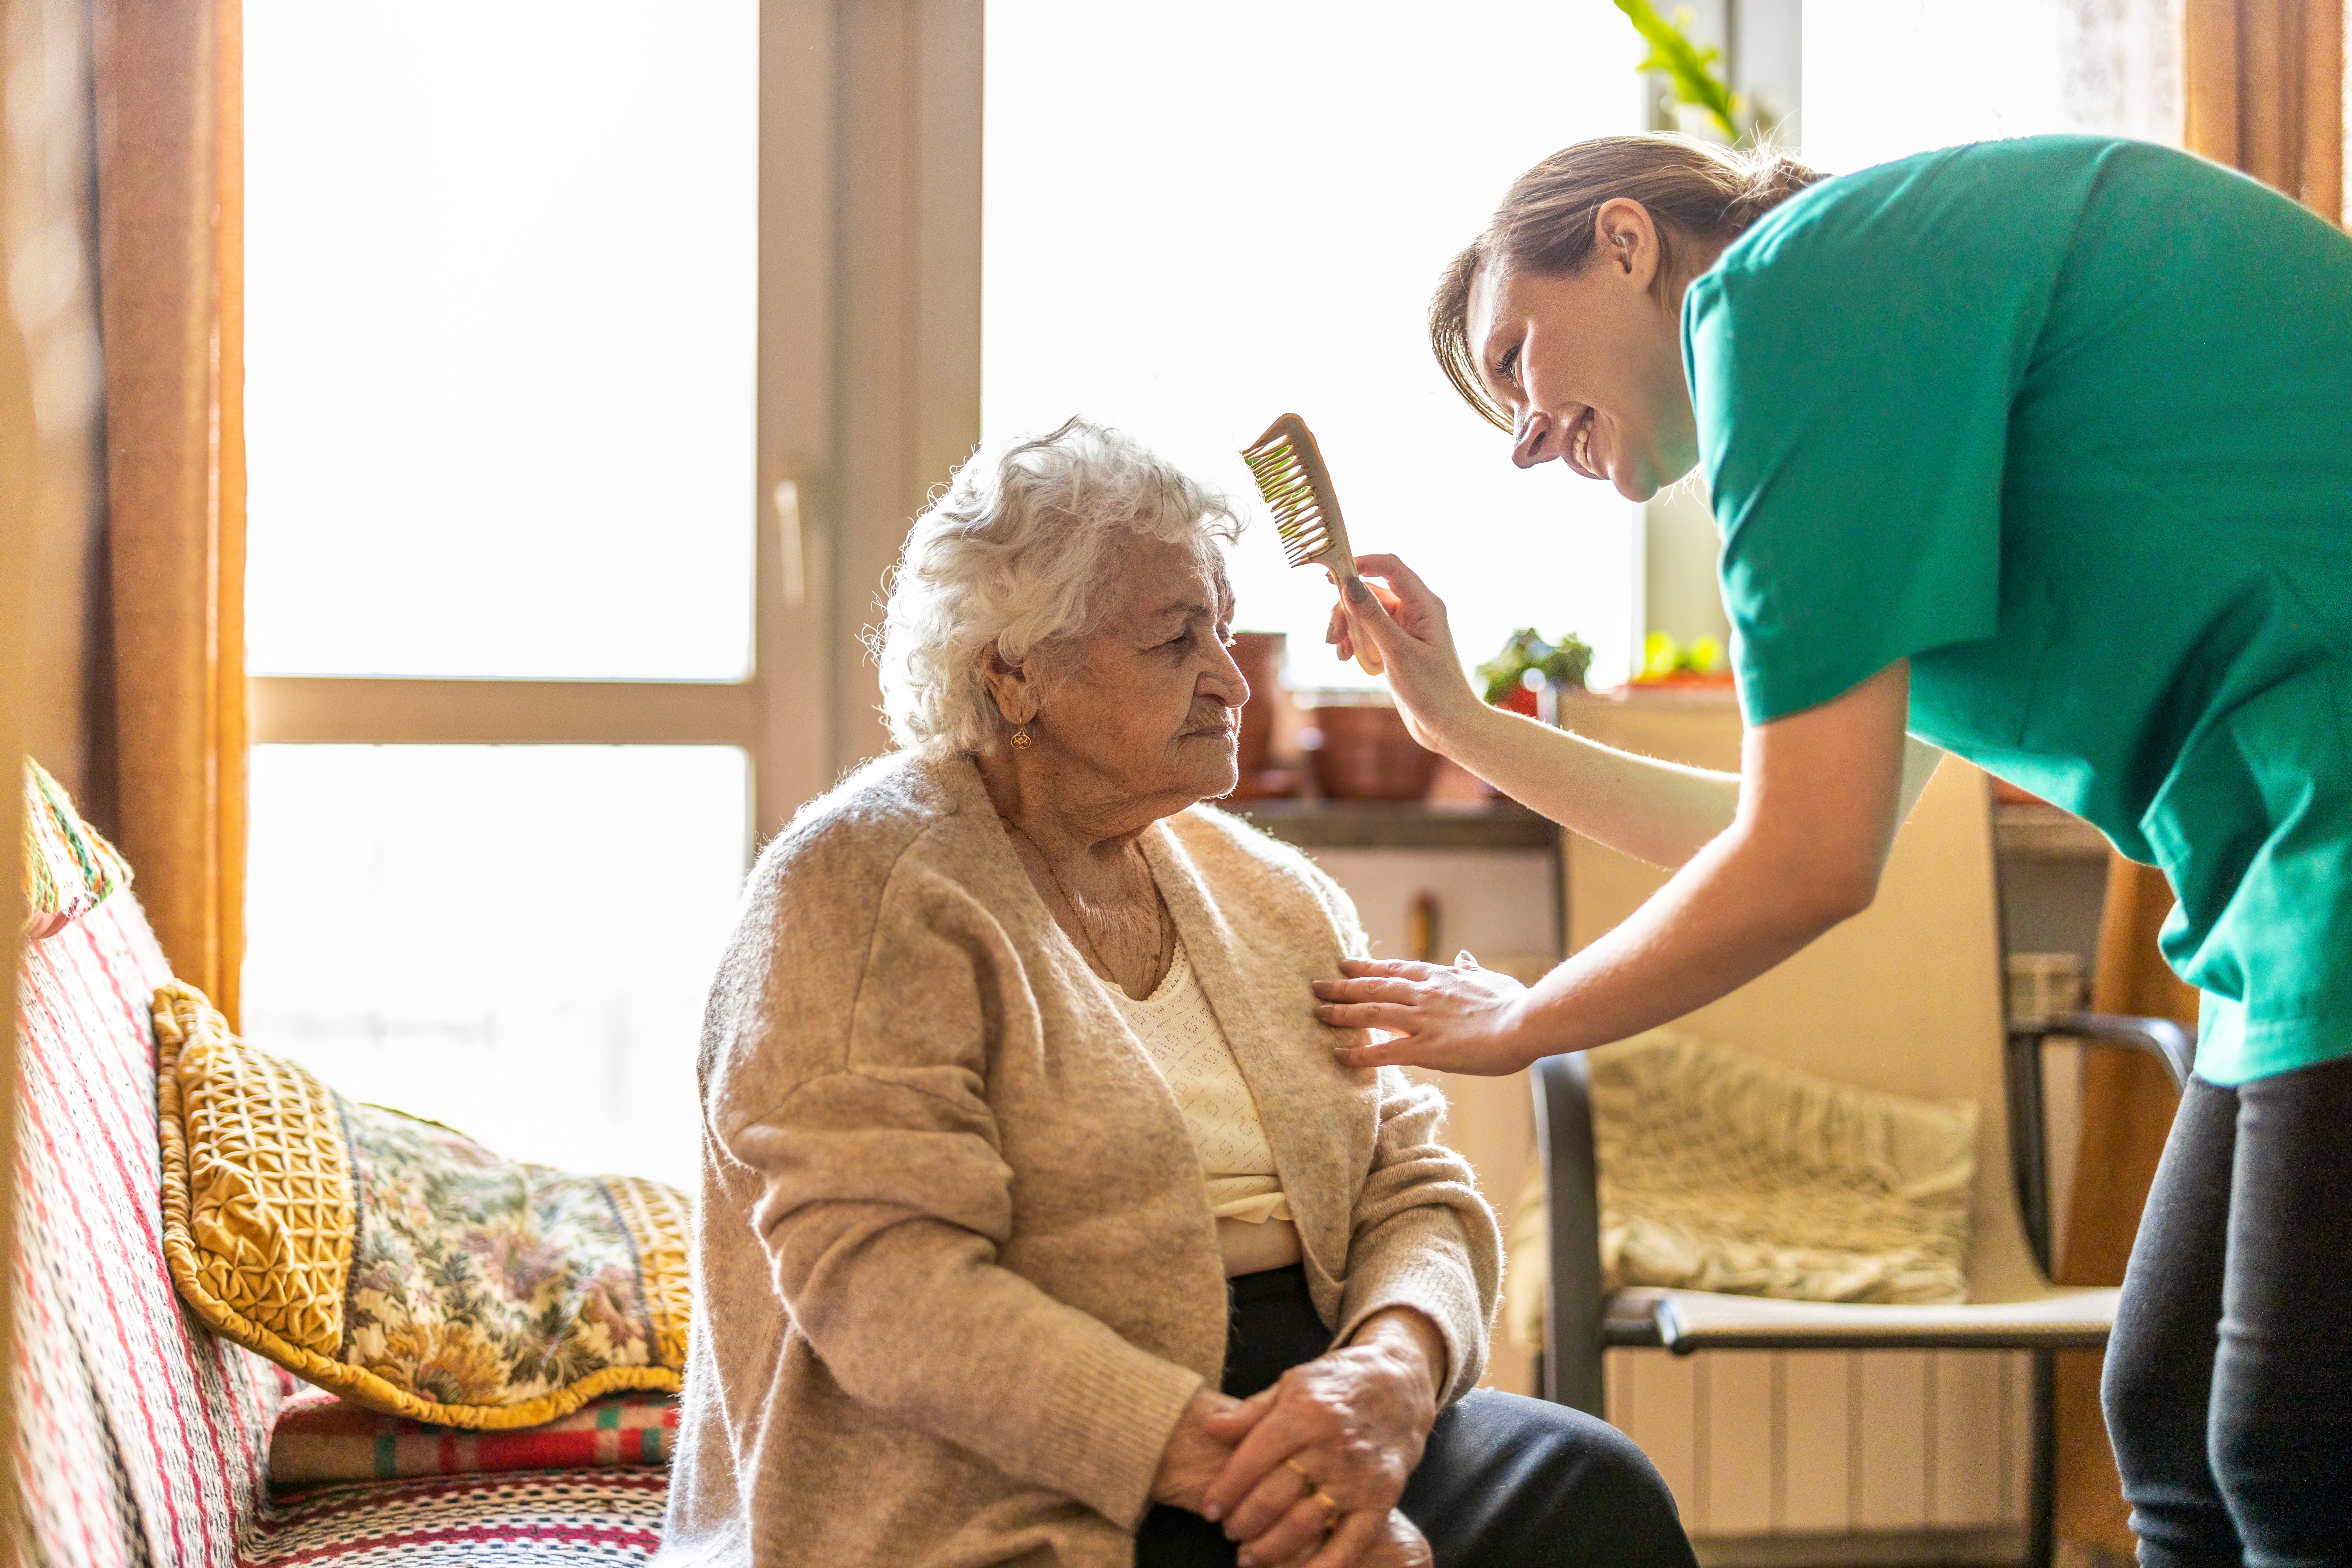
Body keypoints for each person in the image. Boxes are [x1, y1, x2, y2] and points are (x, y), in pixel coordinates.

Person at [1309, 133, 2352, 1562]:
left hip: (2331, 826)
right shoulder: (1882, 361)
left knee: (2290, 1454)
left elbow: (1808, 863)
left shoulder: (1793, 297)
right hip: (2284, 877)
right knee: (2172, 1425)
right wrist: (1460, 725)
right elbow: (1774, 819)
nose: (1524, 434)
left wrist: (1526, 1019)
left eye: (1514, 362)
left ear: (1625, 243)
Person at [657, 417, 1696, 1568]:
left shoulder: (1269, 895)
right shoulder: (867, 881)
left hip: (1317, 1405)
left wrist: (1390, 1383)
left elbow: (1415, 1189)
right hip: (997, 1459)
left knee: (1592, 1490)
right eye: (1172, 640)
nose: (1229, 678)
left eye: (1224, 629)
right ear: (1012, 673)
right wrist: (1251, 1475)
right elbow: (887, 1289)